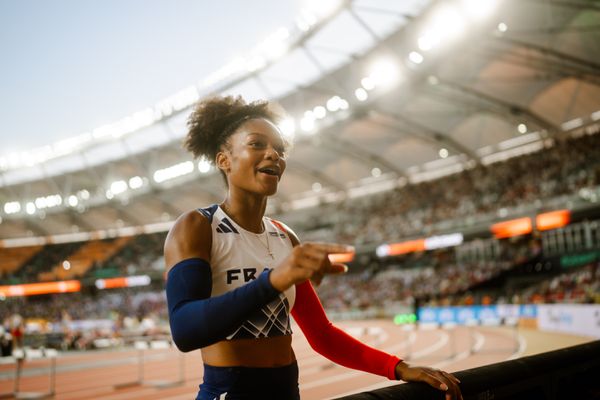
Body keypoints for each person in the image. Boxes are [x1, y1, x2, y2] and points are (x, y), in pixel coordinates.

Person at [164, 96, 463, 400]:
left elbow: (322, 335)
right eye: (257, 144)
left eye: (279, 150)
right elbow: (185, 332)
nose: (274, 155)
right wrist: (273, 280)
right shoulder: (197, 226)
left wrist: (398, 367)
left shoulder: (284, 236)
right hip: (228, 391)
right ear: (223, 159)